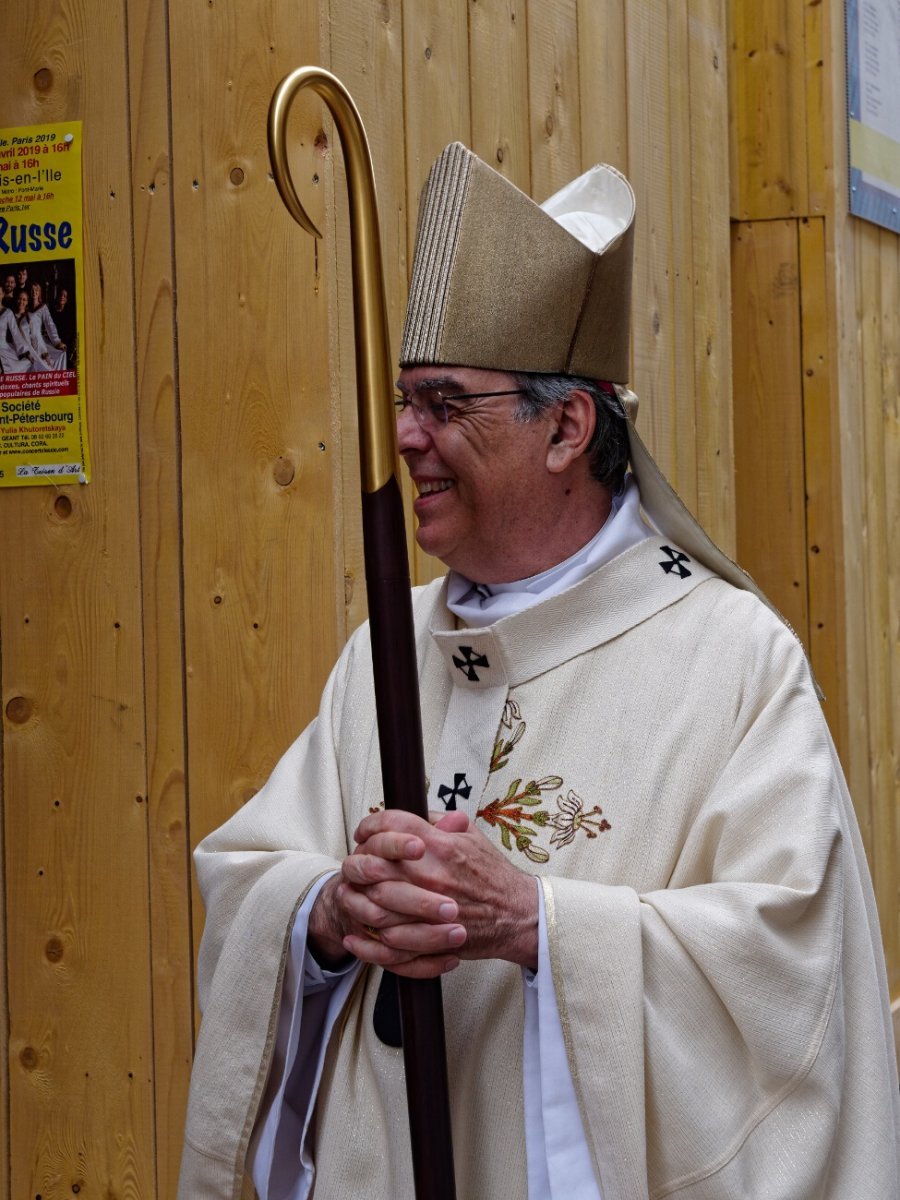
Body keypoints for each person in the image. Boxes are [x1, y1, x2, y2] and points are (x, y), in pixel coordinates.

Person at [179, 144, 900, 1199]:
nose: (404, 439)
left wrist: (534, 924)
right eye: (400, 400)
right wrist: (329, 914)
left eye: (445, 404)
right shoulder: (389, 648)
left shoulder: (732, 662)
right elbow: (253, 877)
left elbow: (789, 979)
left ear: (566, 427)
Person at [0, 294, 33, 373]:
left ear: (2, 295)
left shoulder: (8, 312)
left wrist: (25, 352)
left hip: (3, 348)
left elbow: (15, 333)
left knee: (18, 367)